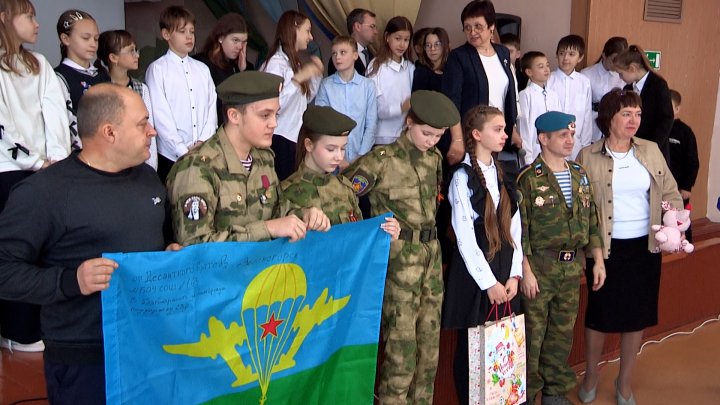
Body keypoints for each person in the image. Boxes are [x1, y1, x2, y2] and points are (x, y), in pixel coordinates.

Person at [0, 83, 175, 404]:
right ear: (110, 132)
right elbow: (4, 271)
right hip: (85, 359)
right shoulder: (44, 193)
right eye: (142, 124)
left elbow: (157, 241)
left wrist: (168, 255)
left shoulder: (149, 179)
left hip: (147, 345)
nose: (153, 131)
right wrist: (71, 281)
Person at [344, 90, 460, 405]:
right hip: (399, 264)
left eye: (438, 135)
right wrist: (373, 229)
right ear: (409, 122)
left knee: (429, 348)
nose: (431, 141)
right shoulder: (382, 160)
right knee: (401, 347)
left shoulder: (435, 159)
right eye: (426, 133)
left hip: (430, 257)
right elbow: (342, 196)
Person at [576, 88, 682, 405]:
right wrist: (586, 252)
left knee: (636, 316)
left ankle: (624, 382)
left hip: (644, 248)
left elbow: (671, 193)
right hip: (604, 250)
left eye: (637, 113)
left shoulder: (650, 150)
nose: (634, 120)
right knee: (599, 316)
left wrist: (674, 224)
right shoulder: (588, 156)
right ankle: (591, 375)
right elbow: (580, 209)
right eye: (626, 114)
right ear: (610, 117)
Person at [167, 71, 326, 245]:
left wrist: (304, 215)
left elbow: (278, 210)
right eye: (265, 115)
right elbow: (196, 246)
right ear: (234, 116)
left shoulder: (264, 159)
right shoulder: (197, 168)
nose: (274, 123)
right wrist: (268, 229)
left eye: (276, 114)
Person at [517, 111, 605, 405]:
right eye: (563, 135)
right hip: (540, 267)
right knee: (533, 336)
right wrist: (526, 271)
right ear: (543, 139)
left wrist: (597, 260)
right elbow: (520, 231)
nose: (570, 140)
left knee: (561, 333)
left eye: (572, 134)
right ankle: (527, 395)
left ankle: (554, 392)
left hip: (571, 267)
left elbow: (592, 220)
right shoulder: (528, 179)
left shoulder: (579, 174)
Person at [0, 0, 70, 353]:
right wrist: (33, 161)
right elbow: (3, 126)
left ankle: (38, 326)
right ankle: (15, 329)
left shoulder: (39, 63)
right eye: (28, 16)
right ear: (4, 18)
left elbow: (55, 112)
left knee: (44, 248)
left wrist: (57, 158)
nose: (37, 23)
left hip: (46, 170)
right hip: (9, 170)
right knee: (13, 252)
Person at [441, 105, 523, 404]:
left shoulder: (504, 173)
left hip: (504, 271)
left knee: (504, 346)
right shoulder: (462, 177)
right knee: (473, 349)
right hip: (477, 275)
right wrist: (489, 284)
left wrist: (514, 274)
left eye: (504, 129)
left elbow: (516, 230)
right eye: (497, 129)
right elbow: (464, 237)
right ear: (476, 134)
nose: (504, 135)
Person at [279, 104, 399, 239]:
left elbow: (358, 238)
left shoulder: (344, 188)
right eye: (331, 149)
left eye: (342, 149)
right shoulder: (287, 192)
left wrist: (385, 235)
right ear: (309, 145)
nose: (339, 157)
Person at [442, 0, 519, 166]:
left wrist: (511, 129)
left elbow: (509, 94)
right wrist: (457, 139)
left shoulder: (503, 53)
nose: (472, 32)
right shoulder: (459, 57)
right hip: (471, 135)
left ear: (491, 27)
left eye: (478, 26)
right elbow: (451, 101)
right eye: (467, 27)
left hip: (496, 134)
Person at [145, 5, 218, 182]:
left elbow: (211, 107)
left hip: (203, 153)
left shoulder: (202, 69)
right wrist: (181, 149)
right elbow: (160, 115)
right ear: (166, 34)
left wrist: (203, 142)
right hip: (171, 156)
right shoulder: (157, 69)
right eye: (182, 31)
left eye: (192, 31)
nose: (189, 36)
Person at [261, 10, 323, 181]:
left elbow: (304, 100)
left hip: (294, 137)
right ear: (294, 29)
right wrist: (298, 80)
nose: (311, 37)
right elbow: (272, 106)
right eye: (307, 31)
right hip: (279, 137)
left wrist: (315, 75)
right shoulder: (276, 64)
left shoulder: (294, 62)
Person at [96, 29, 157, 169]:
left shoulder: (141, 88)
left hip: (138, 160)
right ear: (113, 57)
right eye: (131, 51)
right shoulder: (100, 89)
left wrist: (151, 165)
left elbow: (148, 125)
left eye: (136, 50)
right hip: (109, 160)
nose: (137, 55)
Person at [315, 36, 377, 166]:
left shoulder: (368, 86)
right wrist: (338, 158)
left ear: (355, 55)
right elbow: (322, 124)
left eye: (343, 52)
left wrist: (360, 156)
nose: (337, 57)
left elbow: (371, 125)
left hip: (361, 157)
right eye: (334, 53)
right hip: (332, 159)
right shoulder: (326, 85)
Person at [54, 9, 109, 151]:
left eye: (96, 39)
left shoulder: (102, 74)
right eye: (86, 38)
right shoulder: (59, 77)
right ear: (65, 39)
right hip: (79, 154)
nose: (93, 44)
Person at [613, 44, 674, 162]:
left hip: (653, 148)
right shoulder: (627, 88)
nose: (620, 77)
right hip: (632, 147)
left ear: (632, 68)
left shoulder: (658, 85)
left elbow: (667, 119)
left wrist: (652, 145)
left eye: (621, 73)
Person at [194, 12, 254, 120]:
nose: (240, 46)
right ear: (221, 38)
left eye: (243, 42)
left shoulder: (242, 66)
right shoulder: (201, 64)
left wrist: (244, 70)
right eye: (235, 40)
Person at [367, 16, 414, 146]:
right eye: (398, 38)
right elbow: (375, 108)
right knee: (382, 159)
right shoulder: (376, 66)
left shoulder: (410, 68)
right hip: (381, 138)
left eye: (406, 40)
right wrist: (401, 107)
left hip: (406, 135)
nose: (402, 45)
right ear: (387, 37)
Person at [547, 35, 593, 160]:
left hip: (576, 144)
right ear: (557, 55)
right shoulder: (548, 80)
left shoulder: (584, 82)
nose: (566, 58)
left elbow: (587, 116)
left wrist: (585, 146)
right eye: (562, 53)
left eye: (571, 54)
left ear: (580, 57)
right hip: (552, 142)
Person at [517, 51, 561, 166]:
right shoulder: (525, 94)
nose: (546, 69)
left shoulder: (553, 94)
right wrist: (527, 157)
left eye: (547, 65)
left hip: (553, 149)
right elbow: (524, 127)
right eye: (541, 67)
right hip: (534, 150)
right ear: (529, 72)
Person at [580, 36, 627, 143]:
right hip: (591, 124)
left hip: (615, 126)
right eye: (614, 60)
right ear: (604, 55)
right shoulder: (586, 74)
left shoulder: (622, 76)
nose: (617, 64)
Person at [667, 89, 699, 242]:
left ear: (677, 108)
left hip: (679, 187)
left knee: (681, 218)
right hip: (659, 184)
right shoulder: (655, 129)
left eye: (669, 106)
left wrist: (687, 186)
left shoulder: (685, 132)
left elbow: (693, 161)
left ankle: (686, 244)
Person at [327, 8, 377, 77]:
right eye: (372, 26)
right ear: (358, 26)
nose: (376, 32)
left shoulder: (373, 56)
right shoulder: (338, 59)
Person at [412, 27, 449, 93]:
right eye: (428, 45)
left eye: (437, 44)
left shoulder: (452, 67)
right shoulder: (421, 72)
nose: (432, 49)